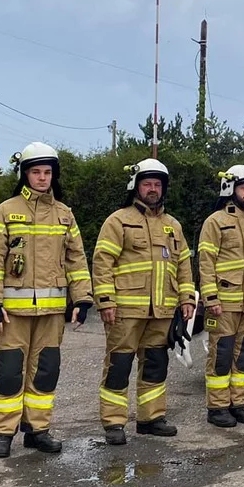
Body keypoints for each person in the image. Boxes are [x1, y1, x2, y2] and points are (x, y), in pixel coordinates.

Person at [0, 142, 94, 458]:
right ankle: (3, 433)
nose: (42, 178)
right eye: (36, 172)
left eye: (47, 172)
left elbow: (76, 259)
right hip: (11, 314)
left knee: (45, 372)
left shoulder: (64, 215)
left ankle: (37, 431)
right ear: (25, 174)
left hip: (51, 313)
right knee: (8, 372)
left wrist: (82, 299)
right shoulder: (6, 210)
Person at [91, 159, 195, 445]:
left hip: (161, 310)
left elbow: (184, 264)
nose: (152, 189)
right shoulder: (118, 220)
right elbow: (102, 263)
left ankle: (151, 419)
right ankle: (113, 423)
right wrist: (105, 300)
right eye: (147, 184)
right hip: (125, 310)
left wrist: (186, 297)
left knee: (155, 365)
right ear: (136, 186)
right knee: (119, 365)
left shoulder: (173, 226)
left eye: (157, 185)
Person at [197, 164, 244, 428]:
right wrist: (210, 298)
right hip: (224, 303)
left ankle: (238, 404)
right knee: (222, 355)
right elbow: (206, 262)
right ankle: (217, 408)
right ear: (229, 188)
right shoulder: (215, 222)